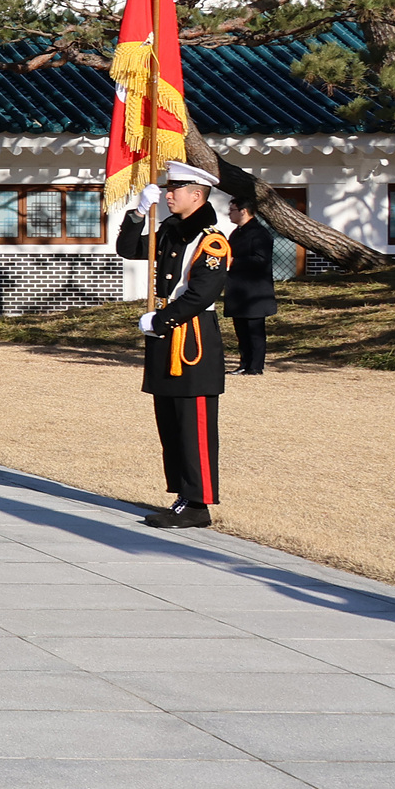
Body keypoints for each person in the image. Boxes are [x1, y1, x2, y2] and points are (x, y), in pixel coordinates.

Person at [118, 163, 231, 528]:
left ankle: (199, 503)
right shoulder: (170, 230)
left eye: (175, 190)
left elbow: (201, 294)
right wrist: (137, 213)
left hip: (192, 336)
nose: (168, 195)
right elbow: (128, 249)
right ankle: (184, 495)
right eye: (167, 189)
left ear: (196, 195)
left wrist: (161, 319)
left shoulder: (211, 240)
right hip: (165, 333)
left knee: (193, 421)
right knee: (170, 420)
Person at [224, 197, 276, 376]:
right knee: (241, 330)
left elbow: (261, 259)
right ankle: (244, 363)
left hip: (255, 292)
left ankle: (255, 366)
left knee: (254, 330)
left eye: (232, 210)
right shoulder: (236, 233)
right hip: (238, 290)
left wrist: (234, 261)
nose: (229, 214)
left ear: (243, 211)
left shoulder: (259, 233)